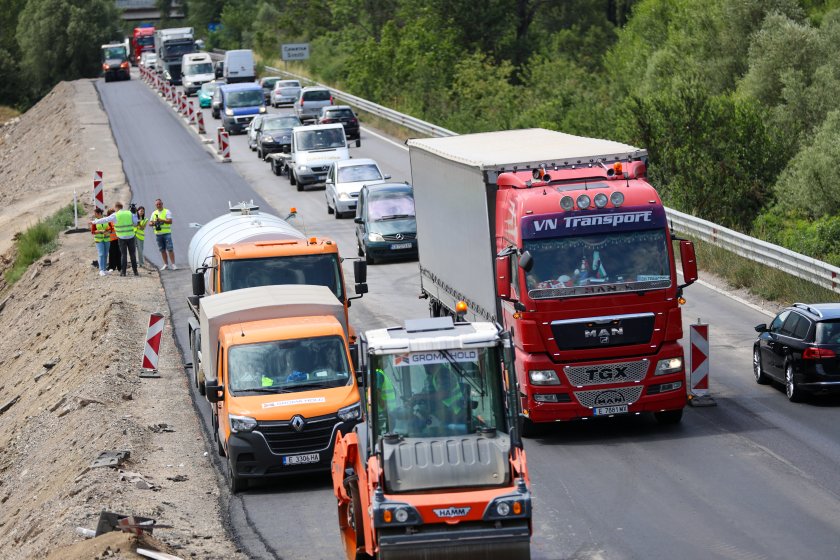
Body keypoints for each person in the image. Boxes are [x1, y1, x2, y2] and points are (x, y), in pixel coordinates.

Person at [91, 202, 138, 277]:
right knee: (132, 254)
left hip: (122, 237)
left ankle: (123, 272)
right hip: (131, 236)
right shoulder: (129, 213)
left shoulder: (116, 214)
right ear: (122, 207)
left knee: (123, 255)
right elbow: (135, 223)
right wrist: (135, 214)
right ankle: (135, 271)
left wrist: (93, 222)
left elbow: (105, 220)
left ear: (116, 207)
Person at [150, 198, 175, 270]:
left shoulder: (167, 211)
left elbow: (170, 221)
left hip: (166, 233)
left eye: (159, 204)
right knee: (162, 250)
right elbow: (150, 223)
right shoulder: (154, 213)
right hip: (158, 234)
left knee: (170, 249)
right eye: (157, 204)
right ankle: (165, 264)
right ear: (155, 205)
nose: (158, 205)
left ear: (162, 204)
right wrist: (154, 223)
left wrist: (162, 220)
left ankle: (173, 264)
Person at [90, 207, 113, 277]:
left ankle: (105, 269)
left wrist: (107, 231)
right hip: (99, 240)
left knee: (106, 254)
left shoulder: (107, 220)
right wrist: (100, 231)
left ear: (99, 213)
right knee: (101, 254)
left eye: (95, 213)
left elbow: (111, 229)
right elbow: (93, 231)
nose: (94, 215)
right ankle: (101, 270)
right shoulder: (95, 221)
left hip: (106, 239)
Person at [105, 208, 121, 272]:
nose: (113, 214)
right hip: (111, 240)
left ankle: (119, 267)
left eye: (114, 212)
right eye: (112, 213)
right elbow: (107, 229)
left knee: (119, 253)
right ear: (109, 214)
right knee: (112, 253)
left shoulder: (117, 220)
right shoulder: (108, 221)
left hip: (118, 239)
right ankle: (111, 267)